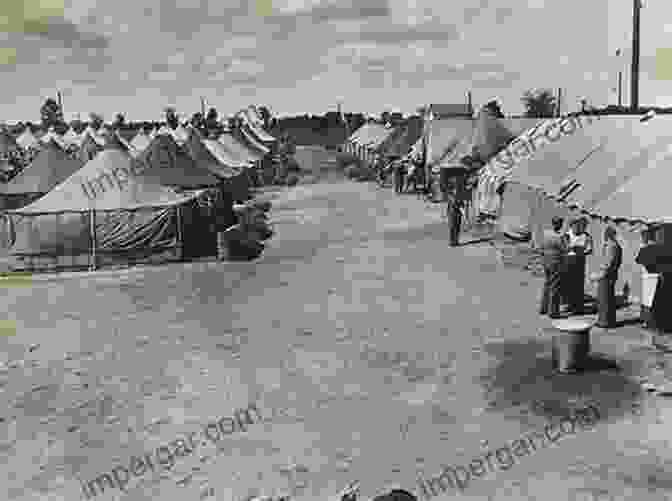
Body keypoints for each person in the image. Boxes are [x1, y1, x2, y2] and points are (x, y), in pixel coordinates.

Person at [593, 226, 622, 328]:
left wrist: (599, 274)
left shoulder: (612, 246)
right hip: (609, 274)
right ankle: (606, 320)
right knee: (607, 298)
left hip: (607, 275)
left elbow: (608, 263)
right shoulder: (614, 245)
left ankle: (605, 321)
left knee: (605, 299)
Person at [539, 216, 568, 318]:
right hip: (556, 262)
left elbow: (540, 247)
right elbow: (564, 249)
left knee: (547, 284)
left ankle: (543, 308)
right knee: (554, 287)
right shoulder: (560, 236)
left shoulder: (545, 233)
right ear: (559, 224)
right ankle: (553, 311)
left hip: (545, 260)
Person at [564, 217, 594, 314]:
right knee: (569, 284)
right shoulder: (567, 236)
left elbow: (590, 249)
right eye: (575, 226)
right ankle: (569, 304)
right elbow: (563, 248)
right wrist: (571, 249)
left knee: (579, 284)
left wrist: (582, 252)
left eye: (580, 226)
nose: (577, 228)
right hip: (569, 261)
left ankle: (578, 306)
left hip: (580, 261)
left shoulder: (587, 236)